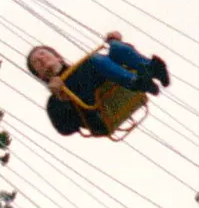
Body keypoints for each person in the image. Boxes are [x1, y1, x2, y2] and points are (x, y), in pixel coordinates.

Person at [27, 32, 170, 136]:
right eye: (35, 62)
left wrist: (119, 43)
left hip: (114, 84)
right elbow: (65, 128)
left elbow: (109, 63)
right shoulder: (54, 101)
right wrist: (61, 97)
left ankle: (153, 69)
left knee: (114, 48)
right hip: (98, 114)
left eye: (42, 53)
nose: (40, 59)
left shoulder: (85, 66)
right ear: (39, 75)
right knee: (95, 59)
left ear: (58, 57)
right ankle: (135, 82)